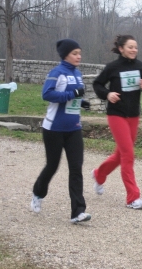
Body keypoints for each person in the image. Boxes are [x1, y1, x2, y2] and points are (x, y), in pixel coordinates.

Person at [30, 39, 92, 223]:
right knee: (52, 166)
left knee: (76, 168)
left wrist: (82, 102)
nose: (78, 56)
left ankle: (77, 212)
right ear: (65, 55)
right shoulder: (57, 73)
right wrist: (73, 95)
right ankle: (38, 193)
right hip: (54, 128)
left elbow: (74, 97)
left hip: (74, 129)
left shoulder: (78, 74)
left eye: (80, 53)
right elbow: (47, 94)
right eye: (75, 53)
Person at [91, 35, 142, 209]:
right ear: (121, 49)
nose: (134, 50)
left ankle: (99, 175)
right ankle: (133, 197)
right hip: (116, 115)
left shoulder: (140, 66)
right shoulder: (113, 67)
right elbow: (97, 84)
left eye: (135, 47)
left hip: (133, 115)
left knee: (120, 155)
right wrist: (107, 94)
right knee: (128, 154)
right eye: (130, 47)